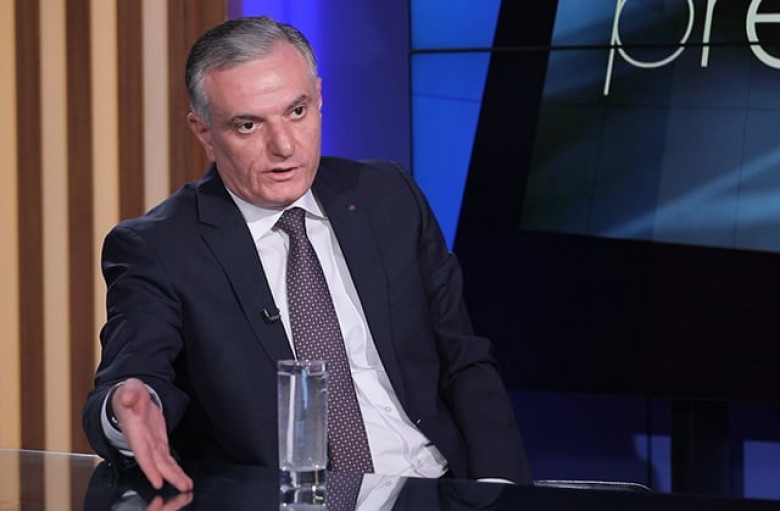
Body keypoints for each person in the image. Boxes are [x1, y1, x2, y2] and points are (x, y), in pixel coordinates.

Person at [82, 15, 532, 492]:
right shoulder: (159, 247)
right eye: (248, 125)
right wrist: (127, 405)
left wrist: (504, 492)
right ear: (205, 132)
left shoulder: (388, 195)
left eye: (296, 112)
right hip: (289, 499)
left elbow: (464, 360)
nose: (283, 146)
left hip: (435, 486)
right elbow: (131, 383)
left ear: (318, 98)